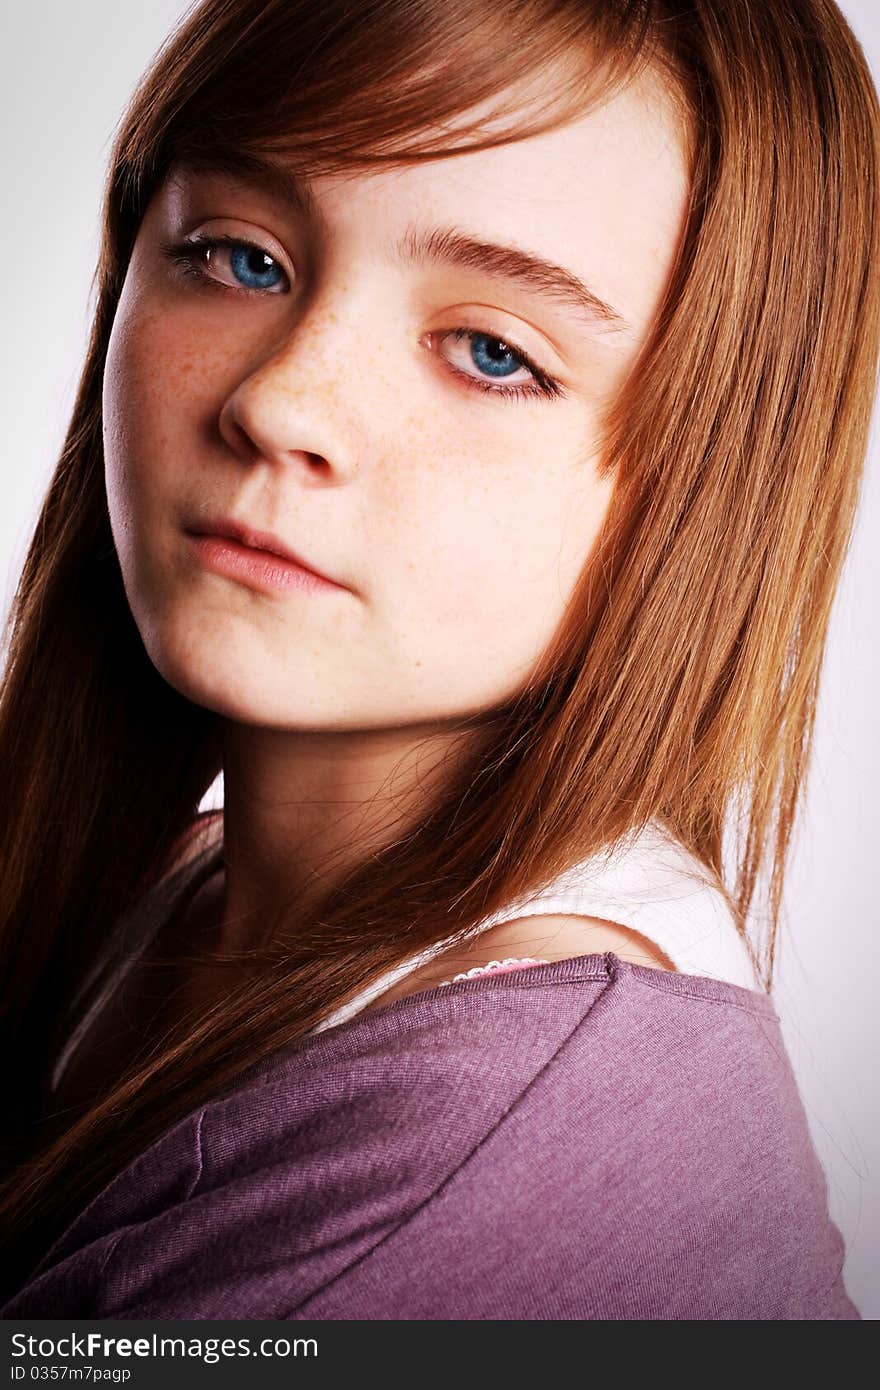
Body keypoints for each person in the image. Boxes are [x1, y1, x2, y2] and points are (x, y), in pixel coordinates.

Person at [0, 0, 874, 1319]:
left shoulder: (511, 1127)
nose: (281, 401)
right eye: (239, 257)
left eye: (490, 352)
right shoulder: (167, 896)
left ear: (706, 484)